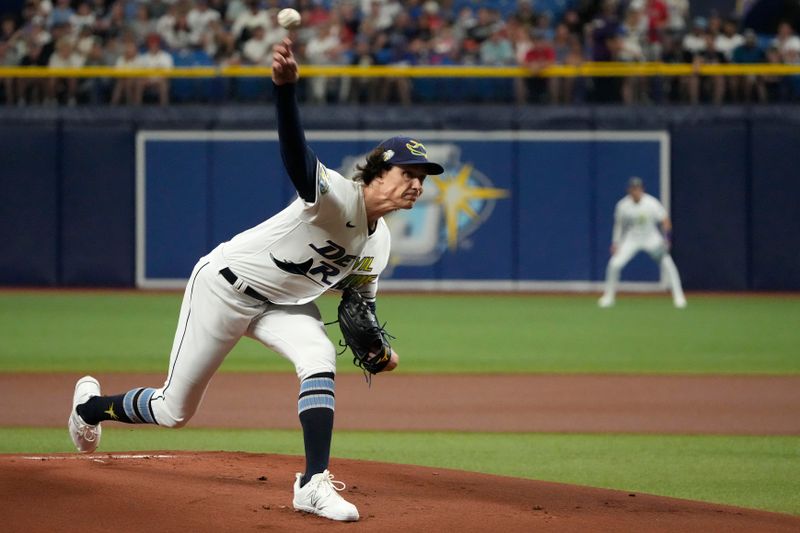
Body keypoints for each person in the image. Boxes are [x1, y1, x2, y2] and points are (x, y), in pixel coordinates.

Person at [67, 37, 444, 522]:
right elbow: (295, 154)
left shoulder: (381, 242)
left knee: (318, 355)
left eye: (424, 176)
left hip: (283, 307)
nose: (416, 183)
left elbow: (360, 307)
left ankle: (313, 483)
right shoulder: (335, 196)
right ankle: (89, 409)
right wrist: (284, 91)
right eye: (407, 171)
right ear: (377, 171)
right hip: (224, 288)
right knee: (173, 411)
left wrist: (378, 350)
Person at [598, 177, 686, 308]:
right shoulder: (623, 206)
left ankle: (679, 297)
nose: (635, 191)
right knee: (614, 264)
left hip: (651, 238)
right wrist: (615, 243)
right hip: (632, 239)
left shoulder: (651, 203)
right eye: (633, 189)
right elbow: (619, 226)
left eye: (638, 188)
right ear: (629, 190)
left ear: (642, 189)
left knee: (668, 265)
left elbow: (665, 221)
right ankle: (608, 297)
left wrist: (666, 239)